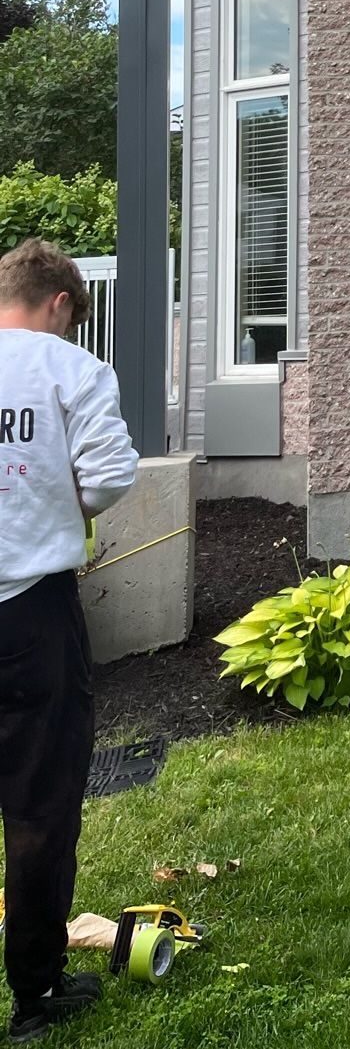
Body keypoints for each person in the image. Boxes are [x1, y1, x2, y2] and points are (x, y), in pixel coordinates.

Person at [0, 240, 138, 1043]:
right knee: (40, 801)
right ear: (59, 302)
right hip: (32, 613)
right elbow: (109, 477)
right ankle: (36, 990)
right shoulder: (70, 369)